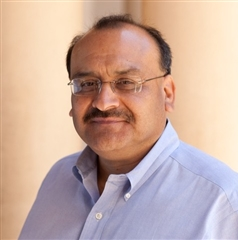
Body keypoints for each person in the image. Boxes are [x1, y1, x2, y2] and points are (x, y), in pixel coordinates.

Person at [19, 14, 238, 240]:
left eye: (126, 83)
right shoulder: (59, 178)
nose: (103, 102)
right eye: (86, 84)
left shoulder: (223, 203)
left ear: (167, 93)